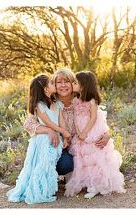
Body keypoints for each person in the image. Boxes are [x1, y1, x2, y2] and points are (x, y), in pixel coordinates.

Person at [22, 68, 111, 176]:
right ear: (53, 85)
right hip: (59, 146)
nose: (63, 85)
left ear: (74, 83)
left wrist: (106, 135)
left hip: (81, 146)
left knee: (98, 157)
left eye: (67, 81)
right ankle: (50, 173)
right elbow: (28, 123)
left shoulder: (81, 100)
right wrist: (49, 130)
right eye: (59, 82)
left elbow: (97, 119)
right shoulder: (49, 101)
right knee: (66, 164)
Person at [64, 71, 125, 199]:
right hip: (80, 134)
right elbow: (75, 117)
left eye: (75, 82)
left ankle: (98, 185)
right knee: (83, 159)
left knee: (96, 158)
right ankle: (88, 183)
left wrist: (85, 132)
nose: (72, 84)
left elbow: (93, 118)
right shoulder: (75, 100)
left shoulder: (91, 101)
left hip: (91, 131)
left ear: (83, 85)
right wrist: (79, 133)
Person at [7, 74, 66, 204]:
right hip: (44, 140)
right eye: (51, 83)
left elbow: (62, 121)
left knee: (49, 165)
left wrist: (65, 135)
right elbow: (47, 122)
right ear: (45, 89)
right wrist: (62, 131)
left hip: (56, 139)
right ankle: (39, 190)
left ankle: (47, 188)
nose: (54, 84)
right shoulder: (39, 105)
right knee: (43, 165)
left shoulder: (57, 103)